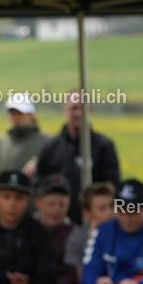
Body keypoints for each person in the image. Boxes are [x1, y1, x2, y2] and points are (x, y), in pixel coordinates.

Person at [35, 90, 121, 225]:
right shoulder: (50, 146)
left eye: (82, 108)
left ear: (90, 111)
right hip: (58, 224)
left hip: (93, 223)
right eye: (74, 108)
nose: (78, 113)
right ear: (64, 110)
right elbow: (39, 182)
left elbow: (112, 186)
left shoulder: (103, 146)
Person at [0, 93, 48, 185]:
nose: (15, 116)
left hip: (34, 193)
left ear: (30, 114)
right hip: (5, 193)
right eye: (11, 112)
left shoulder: (47, 142)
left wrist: (38, 163)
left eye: (19, 112)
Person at [33, 174, 78, 284]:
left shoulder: (75, 233)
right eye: (51, 204)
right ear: (38, 203)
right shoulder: (29, 230)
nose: (56, 209)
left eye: (61, 205)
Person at [62, 182, 116, 283]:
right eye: (102, 208)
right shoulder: (78, 237)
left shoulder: (126, 232)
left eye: (112, 206)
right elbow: (81, 278)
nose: (110, 212)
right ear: (86, 213)